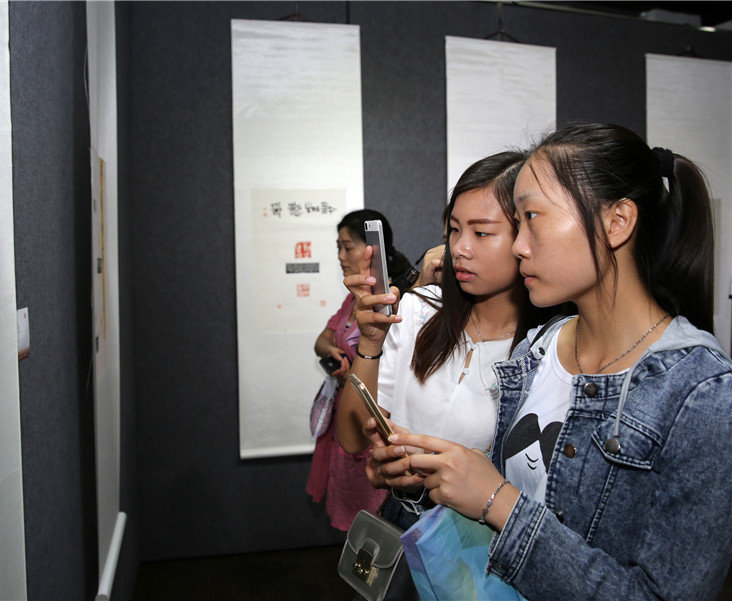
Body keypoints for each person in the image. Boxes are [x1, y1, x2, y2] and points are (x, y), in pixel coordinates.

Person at [387, 123, 732, 599]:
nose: (518, 244)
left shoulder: (701, 394)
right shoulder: (541, 348)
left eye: (532, 217)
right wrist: (428, 480)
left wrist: (498, 502)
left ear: (617, 223)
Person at [337, 150, 558, 534]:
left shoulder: (544, 349)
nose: (460, 248)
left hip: (480, 547)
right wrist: (370, 343)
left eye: (482, 232)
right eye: (454, 230)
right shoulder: (420, 310)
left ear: (526, 236)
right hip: (401, 524)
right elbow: (352, 438)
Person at [307, 209, 410, 530]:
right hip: (344, 413)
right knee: (349, 495)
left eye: (347, 247)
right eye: (338, 247)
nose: (340, 256)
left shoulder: (396, 302)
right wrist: (335, 353)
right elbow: (322, 339)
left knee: (375, 509)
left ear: (371, 252)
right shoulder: (354, 301)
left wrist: (360, 363)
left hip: (373, 420)